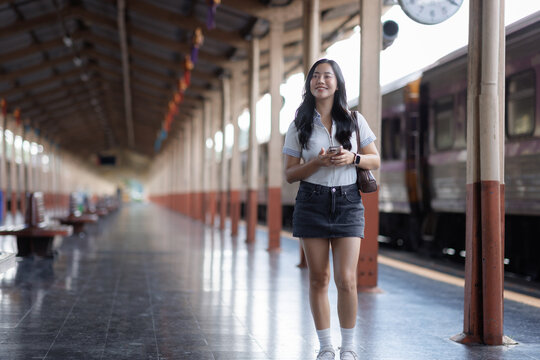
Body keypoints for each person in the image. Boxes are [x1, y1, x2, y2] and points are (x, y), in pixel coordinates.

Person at [282, 59, 380, 360]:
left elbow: (374, 160)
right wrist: (318, 163)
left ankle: (348, 347)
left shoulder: (354, 119)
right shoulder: (299, 124)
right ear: (309, 84)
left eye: (327, 76)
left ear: (337, 84)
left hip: (349, 203)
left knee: (347, 280)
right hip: (311, 202)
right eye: (315, 76)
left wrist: (352, 158)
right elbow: (289, 174)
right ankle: (326, 347)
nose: (320, 80)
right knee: (318, 279)